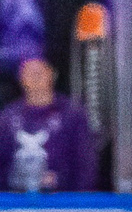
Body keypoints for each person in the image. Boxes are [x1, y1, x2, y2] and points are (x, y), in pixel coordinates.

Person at [0, 56, 93, 192]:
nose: (35, 78)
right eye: (29, 73)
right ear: (21, 78)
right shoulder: (8, 117)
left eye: (39, 72)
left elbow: (85, 162)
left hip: (63, 202)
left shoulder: (72, 115)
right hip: (15, 201)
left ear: (52, 74)